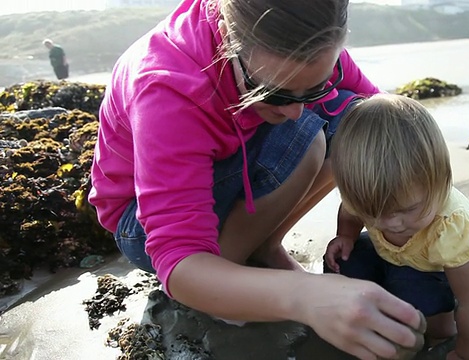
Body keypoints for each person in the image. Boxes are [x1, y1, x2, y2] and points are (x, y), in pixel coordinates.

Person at [88, 0, 426, 359]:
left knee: (357, 122)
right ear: (230, 46)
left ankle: (264, 248)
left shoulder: (307, 34)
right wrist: (304, 297)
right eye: (275, 93)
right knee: (308, 136)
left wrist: (427, 193)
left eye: (315, 88)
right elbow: (178, 259)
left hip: (228, 168)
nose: (294, 108)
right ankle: (225, 278)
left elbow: (385, 120)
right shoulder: (169, 89)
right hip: (140, 226)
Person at [324, 94, 469, 360]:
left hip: (431, 272)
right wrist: (346, 234)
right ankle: (373, 319)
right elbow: (350, 210)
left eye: (408, 210)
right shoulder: (364, 193)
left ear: (441, 181)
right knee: (343, 263)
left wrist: (467, 354)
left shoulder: (452, 225)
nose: (390, 223)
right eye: (373, 212)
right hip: (386, 257)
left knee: (418, 294)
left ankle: (440, 330)